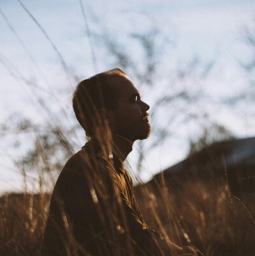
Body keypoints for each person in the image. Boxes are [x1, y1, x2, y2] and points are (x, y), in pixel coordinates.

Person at [41, 68, 194, 255]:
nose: (145, 106)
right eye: (134, 100)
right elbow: (136, 240)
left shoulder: (116, 169)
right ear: (105, 117)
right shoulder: (90, 170)